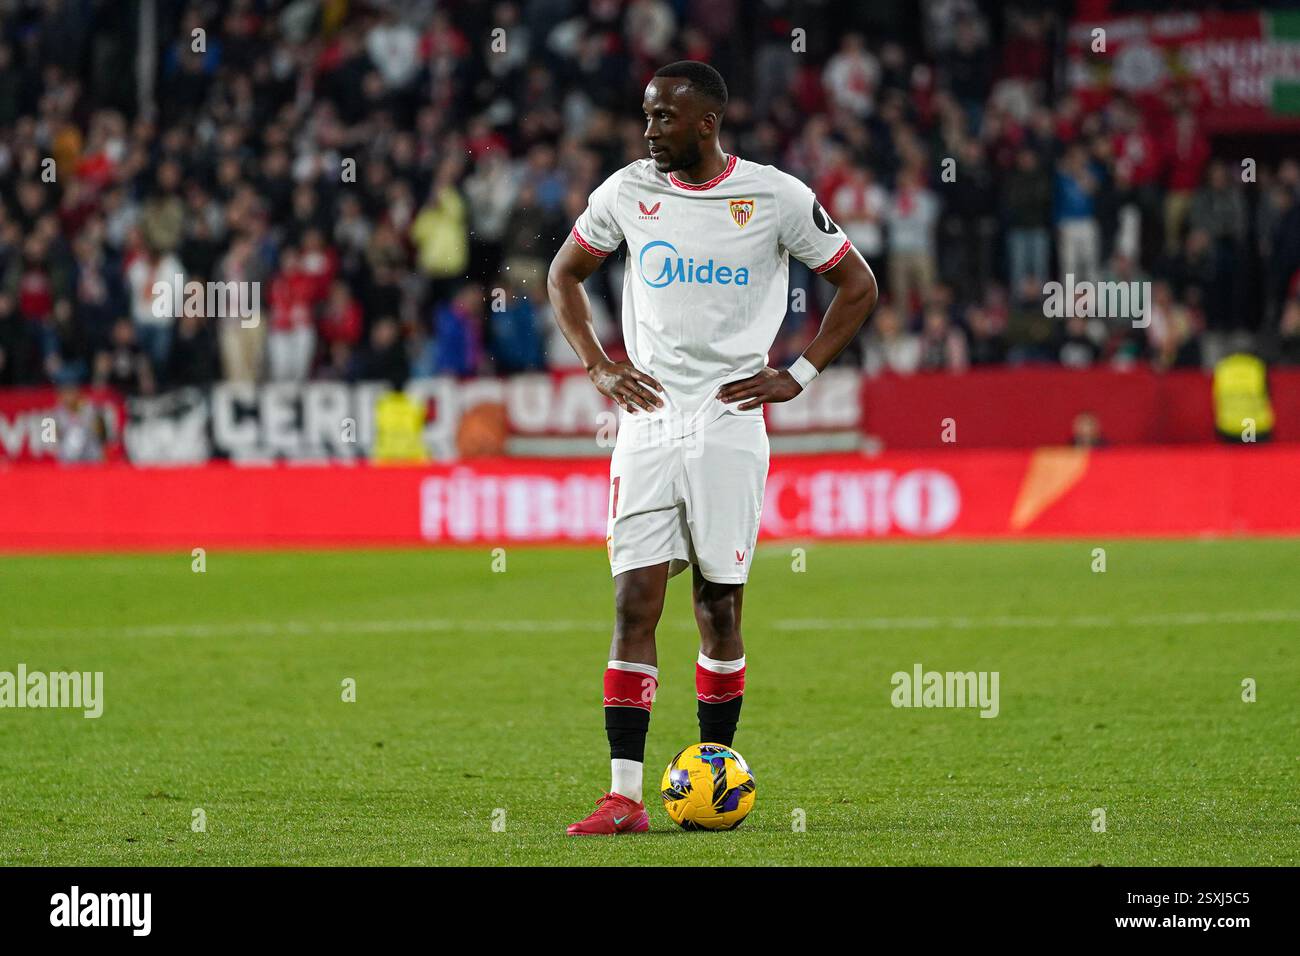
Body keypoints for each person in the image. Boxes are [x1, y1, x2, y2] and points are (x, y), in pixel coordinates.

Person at [547, 61, 878, 836]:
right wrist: (599, 365)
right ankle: (623, 796)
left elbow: (858, 285)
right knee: (634, 600)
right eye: (646, 115)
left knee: (717, 605)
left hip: (730, 420)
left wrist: (798, 373)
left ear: (706, 123)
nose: (650, 129)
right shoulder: (626, 191)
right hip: (651, 418)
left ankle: (712, 776)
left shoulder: (775, 197)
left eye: (664, 117)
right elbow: (565, 274)